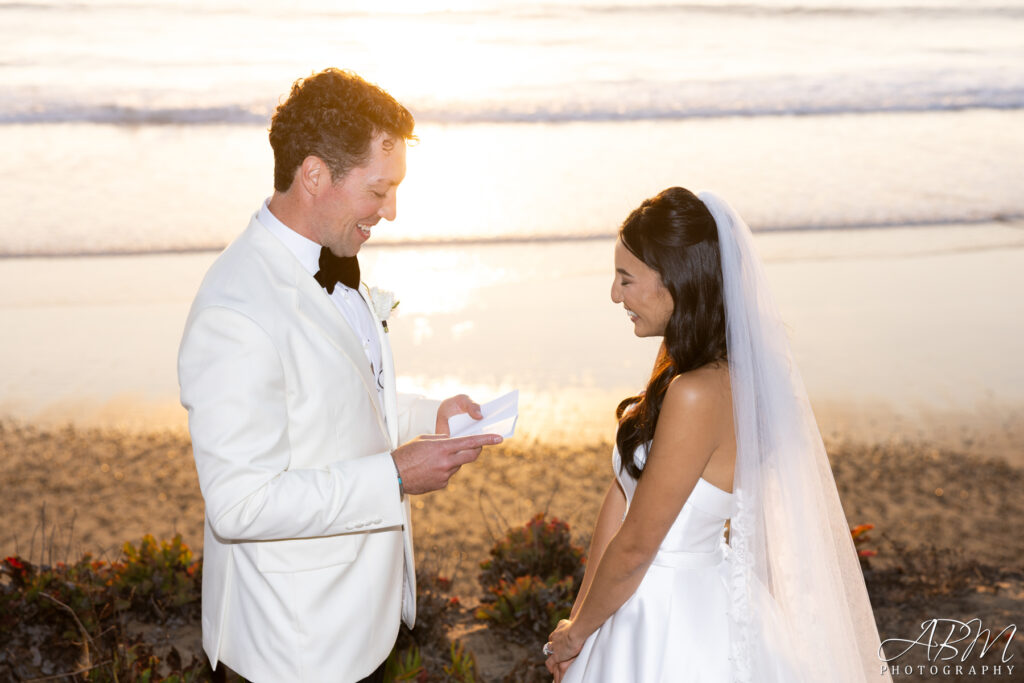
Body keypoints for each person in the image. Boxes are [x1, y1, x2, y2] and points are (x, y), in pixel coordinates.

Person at [177, 68, 502, 683]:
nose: (393, 212)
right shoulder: (236, 313)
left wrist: (425, 415)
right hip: (294, 649)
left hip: (360, 627)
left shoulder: (333, 263)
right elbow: (240, 506)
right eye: (379, 191)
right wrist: (396, 474)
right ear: (315, 175)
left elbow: (334, 402)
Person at [544, 188, 890, 682]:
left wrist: (578, 636)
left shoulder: (699, 392)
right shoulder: (681, 368)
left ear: (677, 282)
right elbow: (620, 500)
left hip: (668, 613)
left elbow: (639, 544)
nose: (615, 294)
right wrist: (578, 625)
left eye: (627, 278)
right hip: (623, 597)